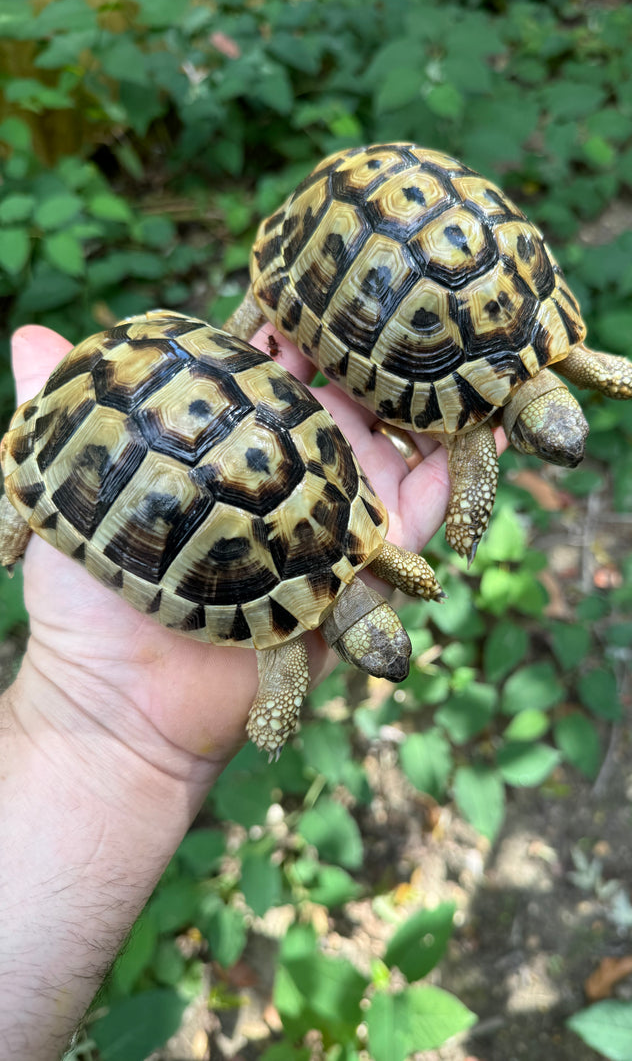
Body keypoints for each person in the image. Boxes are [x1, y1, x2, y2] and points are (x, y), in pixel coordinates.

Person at [0, 319, 504, 1059]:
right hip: (124, 430)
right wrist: (275, 713)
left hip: (192, 393)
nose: (377, 660)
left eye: (376, 652)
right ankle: (21, 498)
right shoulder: (292, 628)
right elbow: (285, 660)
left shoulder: (351, 550)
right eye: (374, 652)